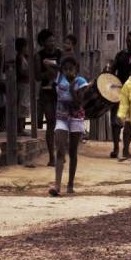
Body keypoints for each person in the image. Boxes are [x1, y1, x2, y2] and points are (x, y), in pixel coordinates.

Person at [49, 56, 88, 197]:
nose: (68, 72)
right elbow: (48, 63)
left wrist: (72, 89)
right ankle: (57, 185)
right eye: (65, 69)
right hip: (61, 117)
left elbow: (78, 103)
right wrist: (59, 67)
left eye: (71, 69)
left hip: (76, 118)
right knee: (60, 150)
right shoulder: (59, 78)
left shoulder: (81, 82)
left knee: (72, 152)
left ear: (76, 69)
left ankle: (70, 183)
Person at [108, 32, 131, 160]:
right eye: (128, 41)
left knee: (130, 123)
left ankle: (125, 148)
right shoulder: (120, 55)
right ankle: (115, 147)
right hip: (119, 92)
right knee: (116, 121)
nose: (130, 43)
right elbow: (112, 71)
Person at [35, 28, 61, 166]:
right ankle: (52, 156)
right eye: (49, 40)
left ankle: (59, 154)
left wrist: (54, 68)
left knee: (61, 124)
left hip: (60, 93)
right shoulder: (39, 56)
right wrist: (50, 72)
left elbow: (66, 69)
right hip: (47, 93)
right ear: (43, 42)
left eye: (53, 40)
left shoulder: (59, 53)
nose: (52, 43)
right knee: (51, 123)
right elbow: (37, 76)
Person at [15, 38, 31, 136]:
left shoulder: (23, 57)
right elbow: (20, 72)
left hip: (25, 84)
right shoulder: (19, 58)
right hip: (22, 84)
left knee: (24, 106)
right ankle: (20, 129)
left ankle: (21, 128)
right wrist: (28, 73)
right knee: (22, 106)